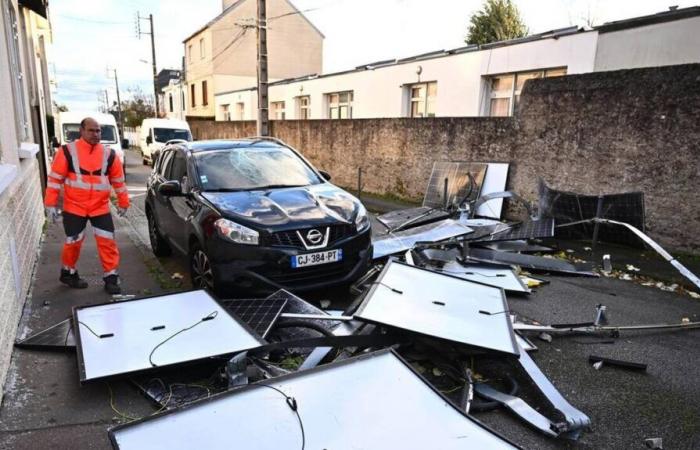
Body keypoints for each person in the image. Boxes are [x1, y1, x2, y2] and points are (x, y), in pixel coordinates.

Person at [44, 117, 129, 294]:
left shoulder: (109, 154)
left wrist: (123, 201)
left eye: (98, 131)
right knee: (73, 242)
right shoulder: (67, 151)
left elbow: (119, 181)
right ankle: (68, 273)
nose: (95, 134)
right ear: (81, 131)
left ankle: (111, 277)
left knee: (107, 242)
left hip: (100, 206)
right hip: (75, 206)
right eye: (91, 130)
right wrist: (50, 203)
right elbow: (54, 180)